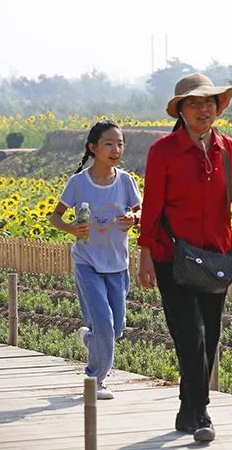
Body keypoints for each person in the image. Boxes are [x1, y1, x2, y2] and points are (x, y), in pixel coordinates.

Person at [137, 73, 232, 443]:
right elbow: (151, 207)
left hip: (216, 257)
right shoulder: (162, 152)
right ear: (180, 111)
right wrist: (145, 256)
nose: (204, 108)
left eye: (210, 102)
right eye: (195, 103)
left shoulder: (228, 149)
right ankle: (201, 412)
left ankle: (187, 409)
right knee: (190, 333)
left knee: (210, 335)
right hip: (172, 257)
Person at [48, 120, 142, 400]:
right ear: (93, 148)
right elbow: (55, 216)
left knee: (116, 328)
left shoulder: (126, 181)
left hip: (117, 263)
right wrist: (71, 229)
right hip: (87, 262)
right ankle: (95, 379)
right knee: (103, 321)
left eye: (120, 144)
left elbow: (142, 212)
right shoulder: (78, 183)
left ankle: (89, 339)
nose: (116, 149)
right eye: (109, 144)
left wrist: (133, 218)